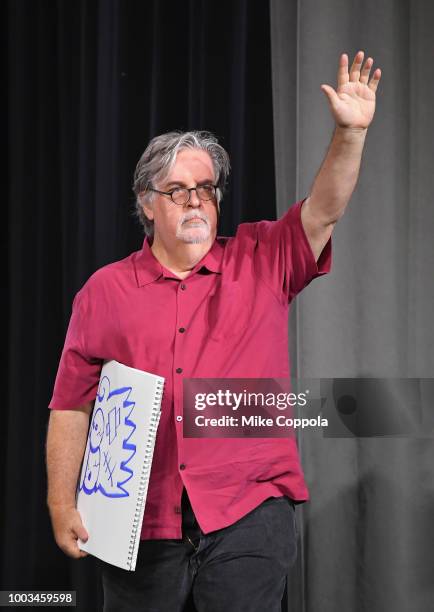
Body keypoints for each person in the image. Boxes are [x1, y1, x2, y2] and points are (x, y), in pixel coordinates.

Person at [46, 51, 381, 612]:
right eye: (177, 190)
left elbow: (323, 213)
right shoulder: (102, 292)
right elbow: (71, 406)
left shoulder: (263, 256)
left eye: (206, 188)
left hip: (248, 514)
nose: (196, 200)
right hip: (140, 525)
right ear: (147, 205)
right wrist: (61, 502)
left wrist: (350, 134)